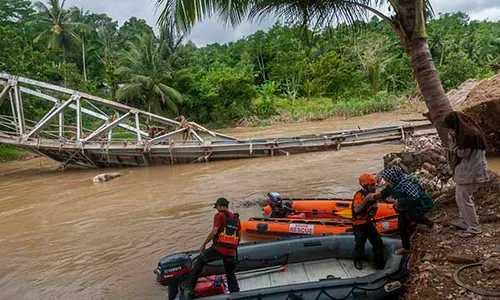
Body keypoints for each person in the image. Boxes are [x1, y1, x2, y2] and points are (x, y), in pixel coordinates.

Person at [181, 198, 241, 297]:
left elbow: (214, 231)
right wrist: (233, 248)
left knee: (200, 260)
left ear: (220, 206)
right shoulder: (236, 218)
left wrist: (204, 244)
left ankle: (190, 287)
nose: (217, 209)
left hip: (218, 249)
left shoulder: (219, 215)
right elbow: (239, 235)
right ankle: (236, 294)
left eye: (217, 207)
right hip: (230, 252)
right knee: (230, 274)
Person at [443, 111, 489, 238]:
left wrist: (452, 143)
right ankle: (464, 221)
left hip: (471, 171)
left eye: (451, 127)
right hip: (473, 169)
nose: (451, 130)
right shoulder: (471, 131)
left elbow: (463, 154)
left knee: (464, 198)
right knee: (462, 197)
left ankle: (474, 227)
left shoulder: (466, 135)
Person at [375, 166, 441, 255]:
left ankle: (432, 225)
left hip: (420, 203)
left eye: (387, 180)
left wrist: (398, 201)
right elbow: (383, 194)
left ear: (393, 178)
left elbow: (415, 198)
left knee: (411, 215)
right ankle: (406, 247)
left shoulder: (406, 184)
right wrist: (373, 196)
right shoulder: (392, 186)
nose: (386, 181)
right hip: (405, 206)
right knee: (401, 225)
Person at [351, 174, 385, 270]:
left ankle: (378, 262)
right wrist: (366, 199)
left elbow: (381, 195)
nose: (373, 187)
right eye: (371, 185)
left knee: (378, 244)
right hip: (359, 224)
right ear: (365, 185)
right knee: (360, 244)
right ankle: (357, 260)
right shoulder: (359, 195)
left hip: (368, 222)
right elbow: (357, 209)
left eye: (374, 185)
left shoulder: (374, 192)